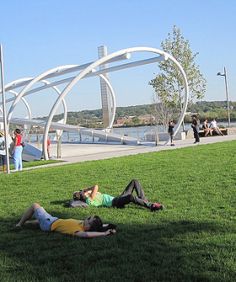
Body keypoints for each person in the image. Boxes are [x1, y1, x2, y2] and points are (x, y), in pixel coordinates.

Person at [15, 203, 116, 238]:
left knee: (35, 205)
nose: (87, 217)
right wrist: (109, 229)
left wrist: (104, 234)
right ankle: (26, 222)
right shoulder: (83, 225)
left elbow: (86, 235)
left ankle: (19, 224)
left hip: (49, 223)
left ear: (88, 226)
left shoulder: (78, 230)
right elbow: (101, 226)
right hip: (54, 221)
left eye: (89, 219)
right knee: (37, 221)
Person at [73, 179, 164, 212]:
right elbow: (96, 186)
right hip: (115, 203)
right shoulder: (89, 200)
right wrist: (85, 190)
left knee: (134, 181)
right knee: (130, 197)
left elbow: (98, 192)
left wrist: (86, 192)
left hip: (118, 198)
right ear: (82, 196)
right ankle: (150, 206)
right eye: (81, 192)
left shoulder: (91, 196)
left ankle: (145, 201)